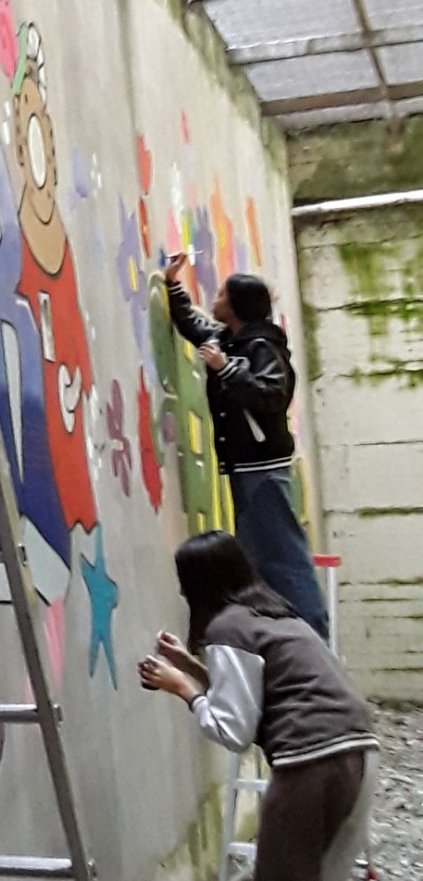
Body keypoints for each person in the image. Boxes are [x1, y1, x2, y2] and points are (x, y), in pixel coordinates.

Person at [139, 531, 377, 881]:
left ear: (197, 585)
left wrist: (182, 688)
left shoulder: (228, 628)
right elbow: (258, 693)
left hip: (313, 766)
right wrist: (194, 668)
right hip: (356, 754)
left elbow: (232, 727)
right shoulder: (271, 614)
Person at [163, 254, 328, 639]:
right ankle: (286, 636)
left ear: (237, 304)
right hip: (246, 466)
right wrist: (172, 285)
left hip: (264, 468)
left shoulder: (262, 347)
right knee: (260, 557)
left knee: (283, 558)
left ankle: (314, 638)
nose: (215, 298)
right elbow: (196, 326)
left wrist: (227, 369)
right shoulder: (231, 340)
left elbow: (272, 395)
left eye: (222, 294)